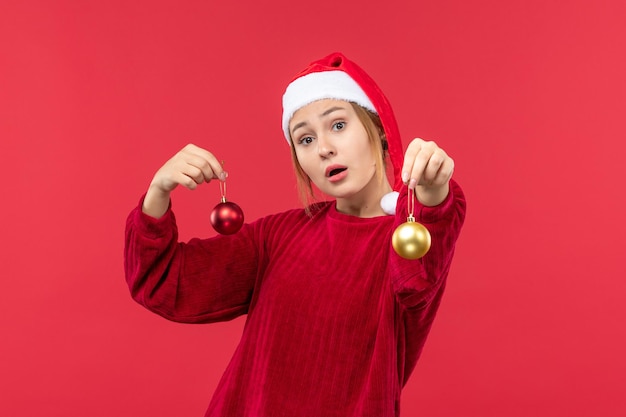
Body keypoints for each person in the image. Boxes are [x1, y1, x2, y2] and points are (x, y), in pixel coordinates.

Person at [124, 52, 466, 417]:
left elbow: (417, 276)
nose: (323, 149)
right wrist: (159, 191)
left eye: (337, 125)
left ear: (377, 129)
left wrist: (431, 193)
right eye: (304, 139)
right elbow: (163, 282)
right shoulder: (277, 237)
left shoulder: (408, 235)